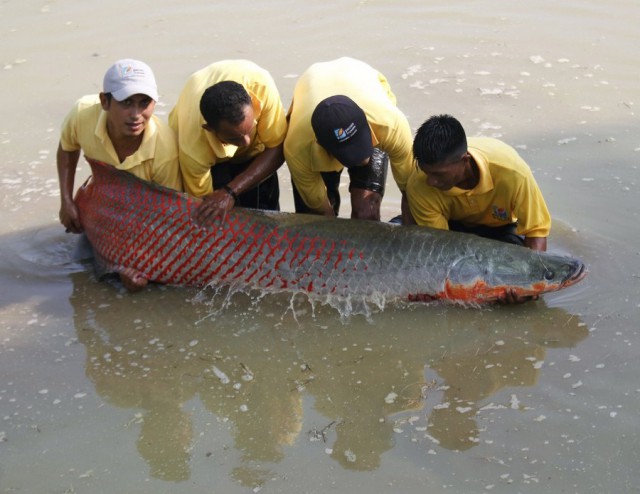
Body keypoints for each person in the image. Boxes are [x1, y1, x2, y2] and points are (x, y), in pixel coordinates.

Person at [57, 58, 182, 291]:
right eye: (126, 102)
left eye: (144, 103)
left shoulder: (164, 148)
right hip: (101, 202)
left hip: (143, 216)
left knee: (141, 285)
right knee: (77, 269)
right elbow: (67, 148)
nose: (136, 115)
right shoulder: (82, 113)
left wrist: (131, 262)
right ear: (105, 101)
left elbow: (167, 220)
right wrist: (66, 201)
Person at [405, 114, 552, 303]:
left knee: (516, 273)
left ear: (465, 160)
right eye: (426, 172)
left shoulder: (513, 174)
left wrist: (532, 282)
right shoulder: (419, 184)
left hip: (500, 229)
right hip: (452, 228)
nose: (431, 181)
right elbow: (441, 252)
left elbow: (536, 232)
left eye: (438, 175)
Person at [283, 57, 414, 221]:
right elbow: (322, 212)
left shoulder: (390, 125)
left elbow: (410, 191)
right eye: (351, 154)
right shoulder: (297, 149)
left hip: (357, 72)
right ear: (322, 146)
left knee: (366, 213)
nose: (365, 160)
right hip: (311, 81)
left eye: (362, 146)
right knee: (313, 219)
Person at [168, 60, 288, 224]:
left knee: (265, 216)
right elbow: (204, 204)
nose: (245, 142)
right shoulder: (193, 148)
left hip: (257, 150)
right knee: (216, 214)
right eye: (235, 138)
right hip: (212, 159)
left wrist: (231, 191)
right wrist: (222, 195)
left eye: (249, 129)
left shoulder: (262, 88)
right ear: (209, 128)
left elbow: (277, 147)